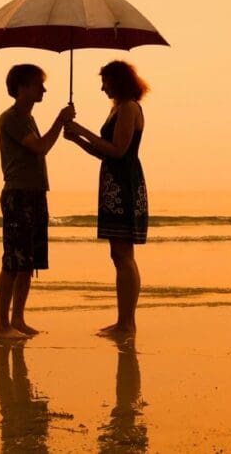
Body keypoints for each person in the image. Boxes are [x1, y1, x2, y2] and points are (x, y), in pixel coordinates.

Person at [64, 60, 149, 337]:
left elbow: (117, 150)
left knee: (123, 255)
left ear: (118, 81)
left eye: (105, 82)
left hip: (123, 185)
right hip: (114, 183)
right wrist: (77, 140)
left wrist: (82, 130)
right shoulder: (118, 109)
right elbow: (104, 153)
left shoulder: (129, 108)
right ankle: (124, 321)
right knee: (119, 254)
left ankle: (127, 323)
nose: (102, 88)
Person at [0, 64, 75, 341]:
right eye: (38, 84)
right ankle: (2, 324)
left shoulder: (28, 118)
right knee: (12, 262)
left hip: (35, 193)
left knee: (28, 262)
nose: (43, 89)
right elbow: (40, 147)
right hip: (18, 194)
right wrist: (60, 121)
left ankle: (18, 318)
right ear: (22, 87)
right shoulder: (12, 118)